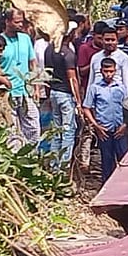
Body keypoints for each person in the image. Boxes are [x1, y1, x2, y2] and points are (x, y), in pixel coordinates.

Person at [83, 56, 128, 183]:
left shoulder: (121, 87)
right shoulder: (95, 88)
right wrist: (96, 126)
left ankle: (125, 185)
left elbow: (127, 106)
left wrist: (125, 124)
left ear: (115, 71)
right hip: (104, 131)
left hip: (120, 129)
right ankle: (107, 187)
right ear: (101, 71)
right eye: (106, 71)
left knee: (124, 159)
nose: (108, 74)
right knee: (107, 162)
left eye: (111, 71)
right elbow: (86, 108)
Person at [1, 8, 40, 145]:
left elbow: (32, 63)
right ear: (7, 22)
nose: (20, 25)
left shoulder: (25, 39)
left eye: (21, 22)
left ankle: (31, 155)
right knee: (10, 131)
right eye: (16, 22)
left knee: (33, 128)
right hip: (7, 93)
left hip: (25, 91)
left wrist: (36, 86)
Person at [47, 23, 81, 170]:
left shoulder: (49, 50)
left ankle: (53, 165)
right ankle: (63, 167)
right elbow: (72, 79)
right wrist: (78, 102)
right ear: (71, 34)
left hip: (53, 92)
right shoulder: (68, 54)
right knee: (68, 131)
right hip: (65, 95)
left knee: (57, 130)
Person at [87, 23, 128, 95]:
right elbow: (91, 82)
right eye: (107, 40)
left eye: (112, 40)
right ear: (102, 40)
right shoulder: (95, 58)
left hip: (116, 97)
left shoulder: (125, 59)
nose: (110, 42)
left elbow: (127, 86)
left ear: (117, 41)